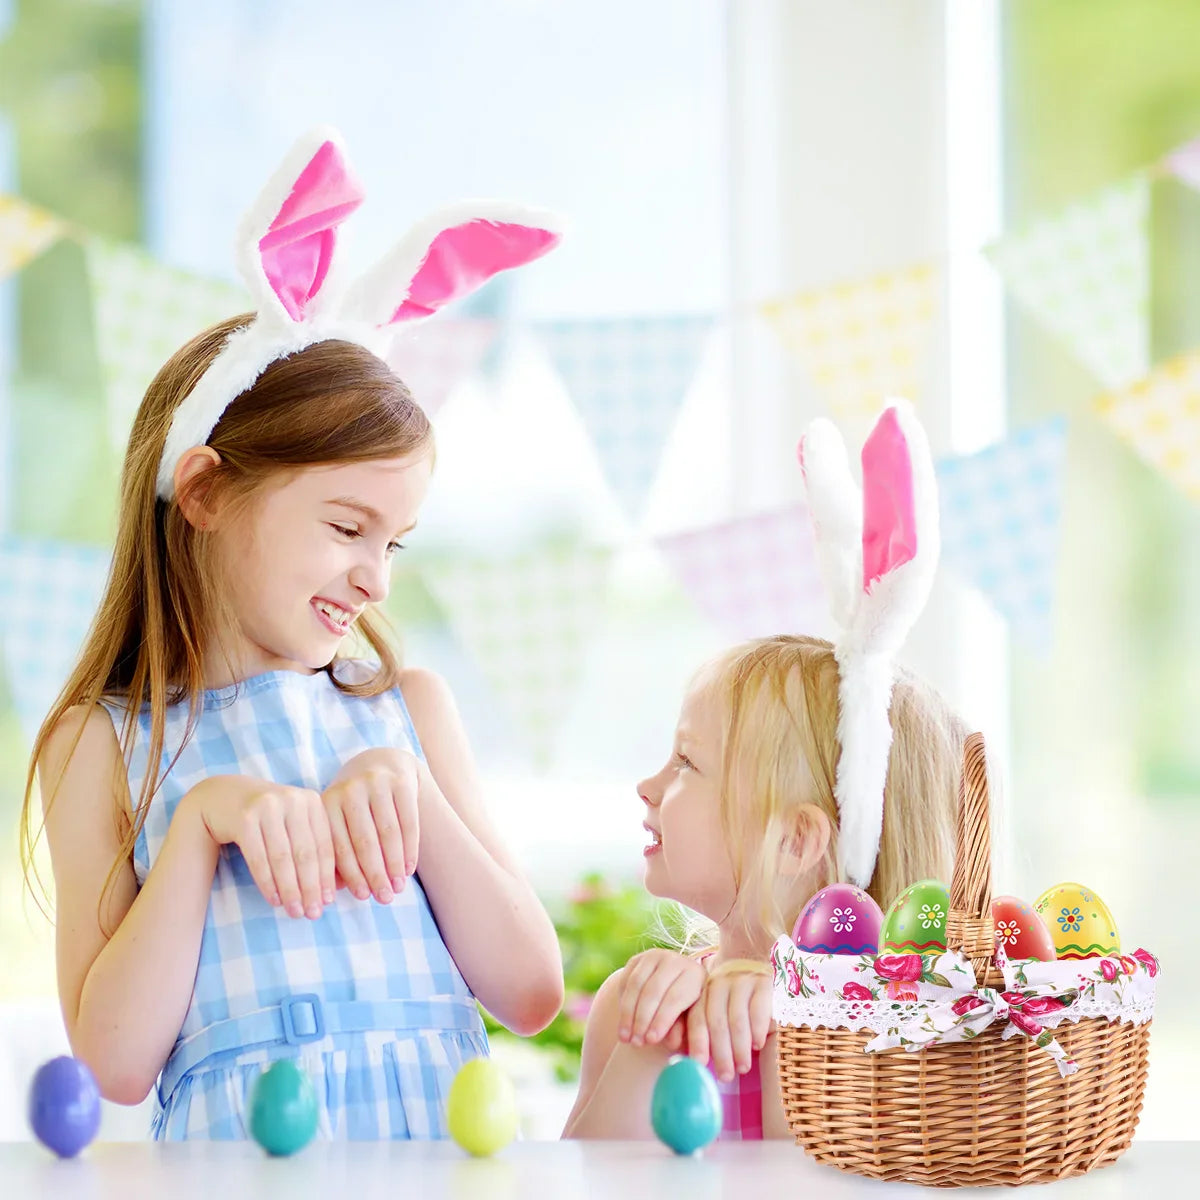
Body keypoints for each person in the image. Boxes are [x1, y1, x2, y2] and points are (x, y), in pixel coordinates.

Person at [19, 127, 565, 1140]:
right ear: (206, 489)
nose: (374, 574)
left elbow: (532, 990)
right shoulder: (102, 744)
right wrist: (196, 832)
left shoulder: (405, 710)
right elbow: (116, 1063)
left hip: (433, 1157)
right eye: (347, 527)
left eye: (396, 542)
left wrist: (413, 800)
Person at [564, 404, 969, 1140]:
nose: (649, 785)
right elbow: (582, 1179)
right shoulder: (639, 1000)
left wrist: (797, 1024)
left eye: (688, 761)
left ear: (795, 839)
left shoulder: (891, 1027)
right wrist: (653, 1038)